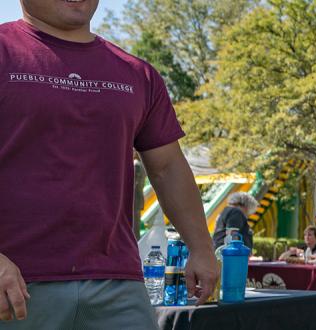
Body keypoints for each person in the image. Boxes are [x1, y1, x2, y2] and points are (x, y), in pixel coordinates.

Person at [0, 1, 219, 327]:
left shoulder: (137, 73)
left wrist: (201, 247)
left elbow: (168, 166)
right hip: (14, 285)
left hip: (118, 285)